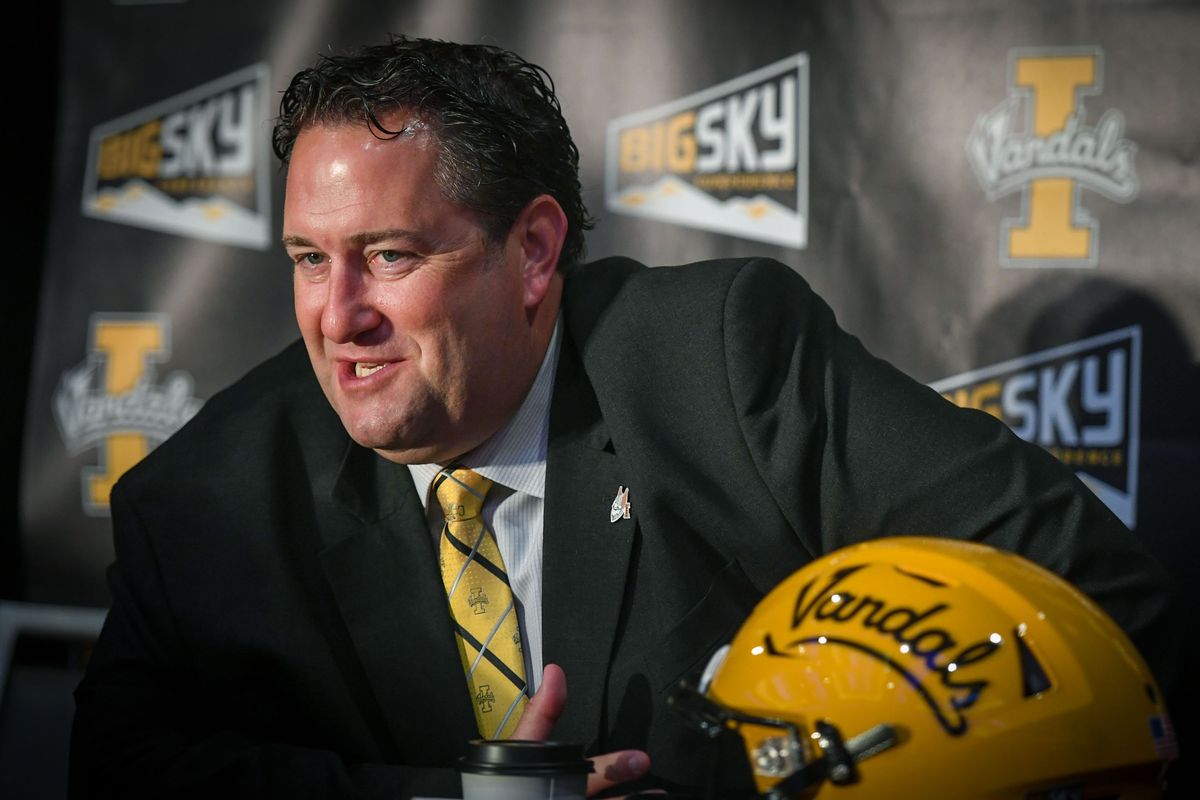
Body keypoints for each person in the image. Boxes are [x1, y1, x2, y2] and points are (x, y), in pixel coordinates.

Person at [69, 36, 1182, 799]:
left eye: (391, 256)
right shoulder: (206, 497)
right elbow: (117, 769)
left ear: (536, 251)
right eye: (310, 260)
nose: (338, 315)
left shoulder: (718, 361)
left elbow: (1099, 607)